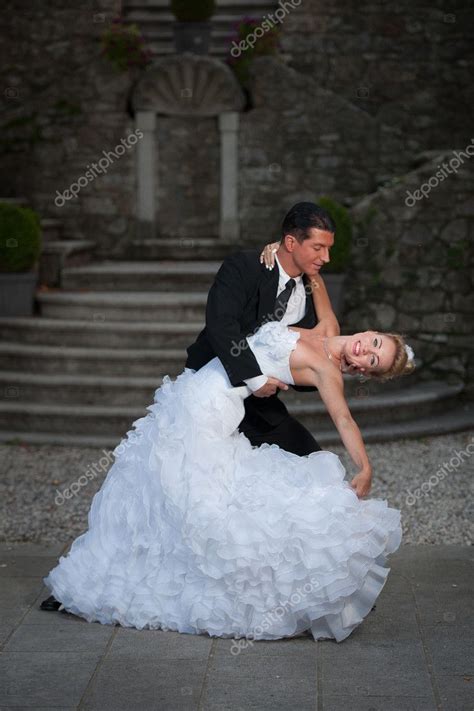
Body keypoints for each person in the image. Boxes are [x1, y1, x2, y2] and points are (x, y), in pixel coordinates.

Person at [39, 209, 415, 642]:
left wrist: (344, 363)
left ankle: (328, 584)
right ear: (290, 242)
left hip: (259, 402)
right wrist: (255, 379)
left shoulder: (312, 296)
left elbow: (324, 354)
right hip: (226, 386)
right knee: (179, 492)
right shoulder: (245, 266)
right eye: (319, 248)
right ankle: (102, 581)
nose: (327, 257)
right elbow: (221, 325)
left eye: (329, 249)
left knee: (314, 470)